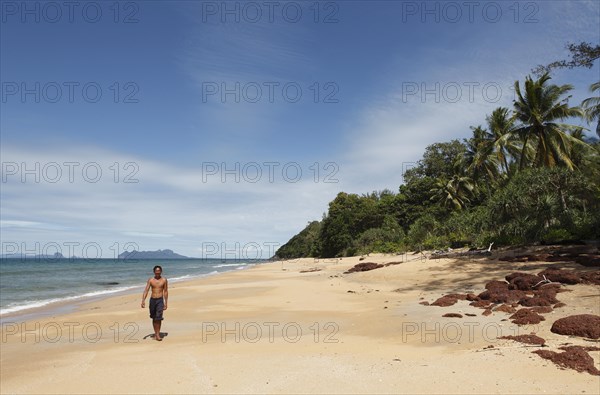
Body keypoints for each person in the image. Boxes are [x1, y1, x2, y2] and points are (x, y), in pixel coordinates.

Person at [141, 265, 168, 341]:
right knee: (154, 317)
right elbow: (146, 290)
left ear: (161, 271)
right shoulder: (151, 280)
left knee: (158, 318)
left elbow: (165, 291)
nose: (157, 272)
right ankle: (156, 332)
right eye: (156, 271)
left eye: (159, 271)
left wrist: (166, 303)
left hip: (160, 300)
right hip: (152, 300)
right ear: (154, 272)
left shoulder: (164, 280)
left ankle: (157, 334)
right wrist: (143, 300)